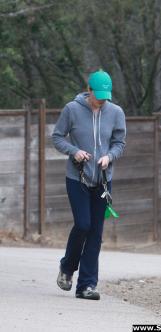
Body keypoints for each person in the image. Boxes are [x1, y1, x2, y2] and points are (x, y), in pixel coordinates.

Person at [52, 70, 126, 300]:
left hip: (103, 180)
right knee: (83, 225)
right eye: (98, 95)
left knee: (95, 233)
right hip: (77, 178)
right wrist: (74, 152)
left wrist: (110, 157)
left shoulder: (115, 112)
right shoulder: (72, 109)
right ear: (89, 89)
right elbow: (57, 137)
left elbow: (119, 142)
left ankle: (86, 285)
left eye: (106, 96)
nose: (102, 100)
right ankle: (67, 267)